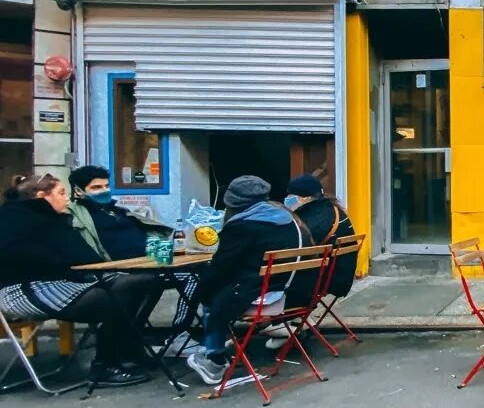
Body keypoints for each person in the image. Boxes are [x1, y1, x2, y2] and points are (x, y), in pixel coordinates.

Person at [0, 174, 154, 386]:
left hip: (62, 282)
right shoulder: (13, 219)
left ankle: (125, 352)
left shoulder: (53, 219)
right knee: (119, 292)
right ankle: (104, 365)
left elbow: (83, 255)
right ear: (41, 196)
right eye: (61, 193)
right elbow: (20, 255)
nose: (67, 199)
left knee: (144, 281)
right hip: (24, 290)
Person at [186, 176, 317, 386]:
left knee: (212, 296)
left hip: (265, 297)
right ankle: (215, 354)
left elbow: (221, 268)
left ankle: (214, 359)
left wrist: (199, 295)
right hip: (295, 292)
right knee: (218, 290)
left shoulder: (241, 226)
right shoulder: (288, 219)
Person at [66, 165, 200, 355]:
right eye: (96, 187)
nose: (104, 190)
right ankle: (178, 335)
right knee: (188, 277)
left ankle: (152, 334)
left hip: (149, 263)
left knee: (198, 273)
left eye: (106, 185)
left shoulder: (118, 211)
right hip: (119, 271)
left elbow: (150, 232)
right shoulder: (75, 215)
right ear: (79, 191)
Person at [285, 174, 356, 299]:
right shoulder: (330, 209)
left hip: (326, 280)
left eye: (291, 196)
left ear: (305, 198)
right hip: (339, 275)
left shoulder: (314, 219)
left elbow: (298, 246)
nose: (287, 199)